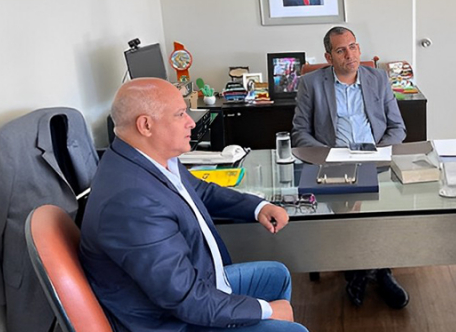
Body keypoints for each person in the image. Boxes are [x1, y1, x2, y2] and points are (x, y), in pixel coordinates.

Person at [80, 78, 308, 332]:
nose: (191, 122)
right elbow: (187, 300)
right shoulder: (131, 202)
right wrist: (267, 311)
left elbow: (200, 191)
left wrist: (258, 207)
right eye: (180, 114)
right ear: (146, 125)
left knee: (276, 275)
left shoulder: (150, 158)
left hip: (196, 286)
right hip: (175, 322)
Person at [291, 26, 409, 309]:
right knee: (349, 209)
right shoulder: (311, 83)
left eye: (353, 46)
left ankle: (364, 271)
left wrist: (378, 153)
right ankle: (374, 271)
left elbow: (397, 128)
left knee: (385, 212)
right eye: (341, 50)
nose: (350, 54)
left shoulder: (378, 78)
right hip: (333, 164)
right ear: (328, 57)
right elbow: (300, 133)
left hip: (375, 161)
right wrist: (332, 156)